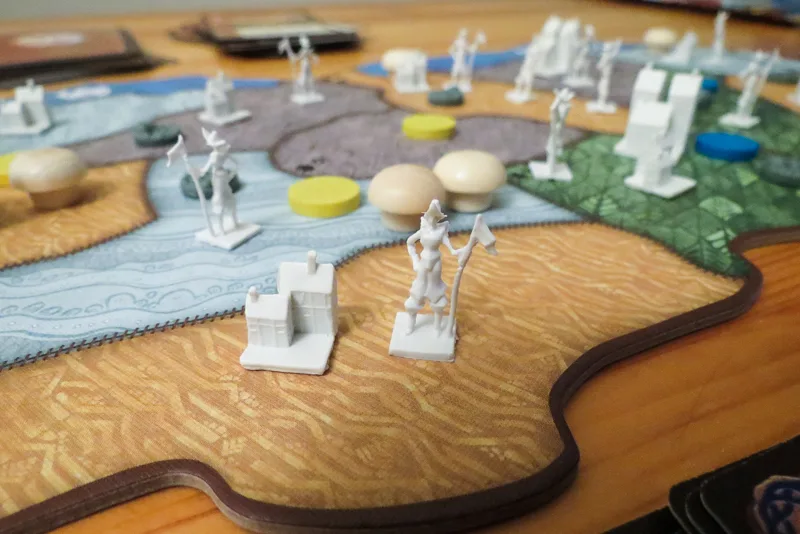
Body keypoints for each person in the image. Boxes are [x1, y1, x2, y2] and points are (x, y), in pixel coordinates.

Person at [403, 199, 465, 335]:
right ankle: (410, 325)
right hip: (423, 262)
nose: (432, 219)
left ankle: (437, 327)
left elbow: (451, 248)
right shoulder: (423, 230)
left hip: (436, 262)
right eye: (430, 215)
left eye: (434, 216)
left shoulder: (441, 231)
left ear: (438, 217)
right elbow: (410, 243)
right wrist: (415, 259)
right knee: (418, 290)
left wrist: (459, 251)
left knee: (436, 291)